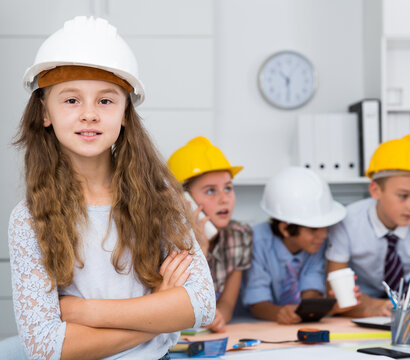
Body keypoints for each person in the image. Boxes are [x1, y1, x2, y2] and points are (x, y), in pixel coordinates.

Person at [8, 16, 215, 359]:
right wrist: (158, 312)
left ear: (124, 114)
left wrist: (86, 313)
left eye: (105, 101)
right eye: (71, 100)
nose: (89, 114)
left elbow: (202, 305)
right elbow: (45, 347)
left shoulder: (160, 197)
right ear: (45, 112)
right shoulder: (28, 219)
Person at [326, 134, 410, 317]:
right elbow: (336, 295)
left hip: (408, 292)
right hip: (363, 293)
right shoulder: (347, 222)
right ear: (375, 190)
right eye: (403, 195)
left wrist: (390, 305)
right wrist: (367, 305)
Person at [242, 167, 349, 324]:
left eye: (325, 227)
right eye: (313, 229)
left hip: (291, 328)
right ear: (285, 228)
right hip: (251, 325)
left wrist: (326, 307)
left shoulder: (314, 245)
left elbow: (310, 295)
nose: (324, 235)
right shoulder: (256, 242)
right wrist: (281, 313)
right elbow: (258, 305)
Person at [168, 136, 253, 333]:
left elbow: (228, 303)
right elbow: (173, 308)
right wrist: (200, 248)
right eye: (210, 191)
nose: (224, 199)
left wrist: (220, 314)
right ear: (183, 200)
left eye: (228, 188)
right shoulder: (166, 243)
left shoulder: (240, 236)